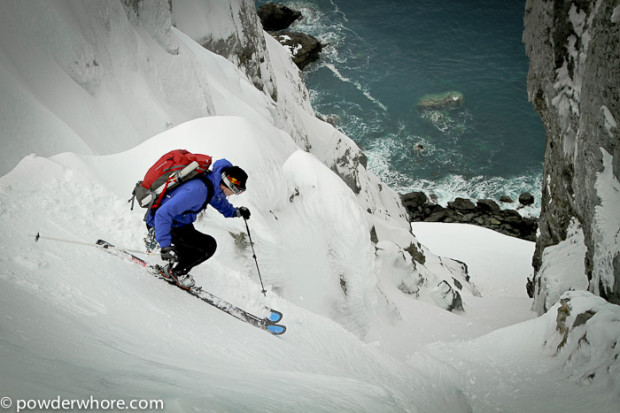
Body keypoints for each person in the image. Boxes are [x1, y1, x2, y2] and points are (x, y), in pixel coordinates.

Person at [145, 159, 251, 289]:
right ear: (229, 185)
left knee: (201, 245)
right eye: (237, 191)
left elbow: (219, 202)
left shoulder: (212, 184)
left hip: (180, 222)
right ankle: (173, 272)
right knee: (207, 246)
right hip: (162, 222)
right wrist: (165, 245)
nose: (235, 194)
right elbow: (163, 213)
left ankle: (174, 263)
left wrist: (237, 212)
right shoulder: (198, 191)